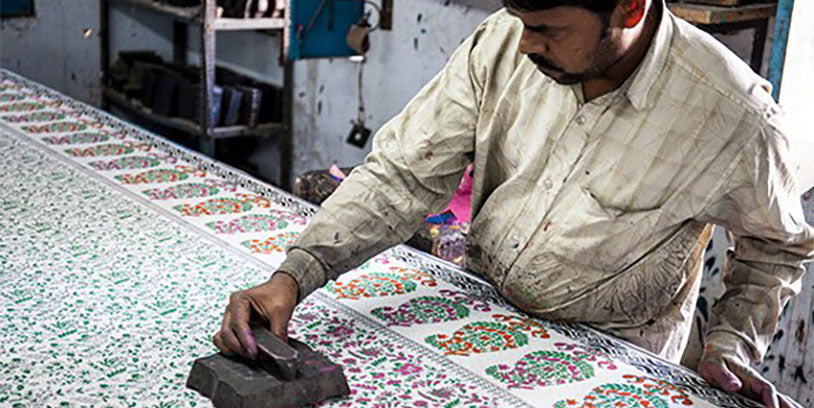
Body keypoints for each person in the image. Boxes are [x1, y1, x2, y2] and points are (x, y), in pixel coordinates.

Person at [213, 1, 813, 406]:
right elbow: (402, 173)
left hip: (615, 367)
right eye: (520, 18)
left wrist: (731, 343)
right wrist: (295, 276)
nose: (525, 44)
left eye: (549, 29)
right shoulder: (504, 41)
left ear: (630, 8)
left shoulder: (734, 117)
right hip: (478, 319)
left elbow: (775, 249)